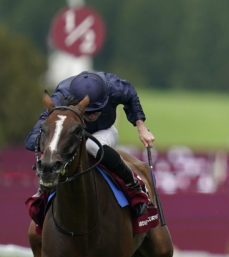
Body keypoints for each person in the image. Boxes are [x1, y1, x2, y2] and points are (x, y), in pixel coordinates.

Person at [25, 71, 153, 216]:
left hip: (104, 131)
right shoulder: (63, 94)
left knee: (90, 146)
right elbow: (42, 125)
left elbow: (131, 95)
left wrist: (141, 128)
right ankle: (43, 190)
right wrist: (45, 143)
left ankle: (133, 185)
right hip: (73, 135)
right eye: (87, 112)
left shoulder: (114, 87)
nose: (91, 116)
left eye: (96, 111)